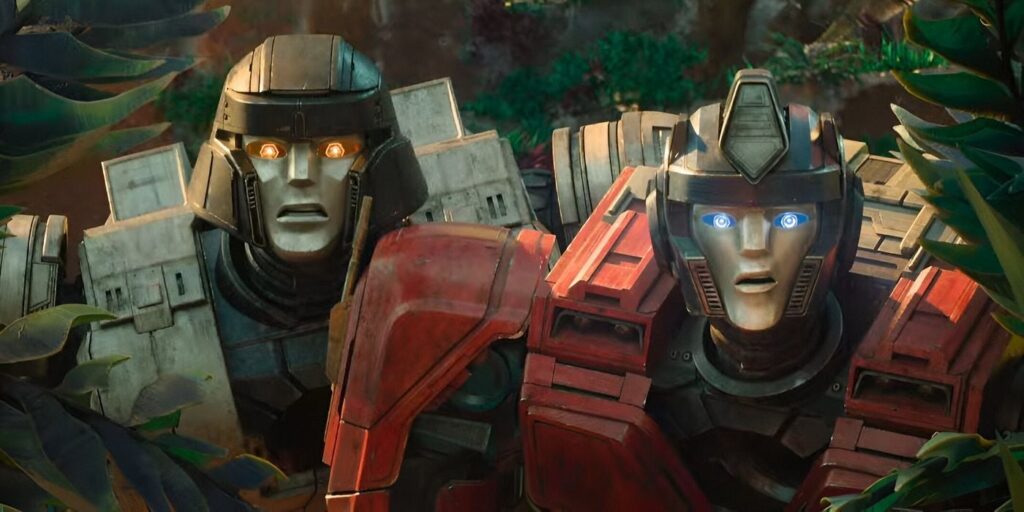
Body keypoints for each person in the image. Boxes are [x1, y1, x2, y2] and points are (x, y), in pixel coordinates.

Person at [518, 69, 1024, 511]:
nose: (755, 248)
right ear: (668, 231)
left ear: (840, 228)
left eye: (788, 219)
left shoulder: (960, 361)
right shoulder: (605, 321)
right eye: (720, 219)